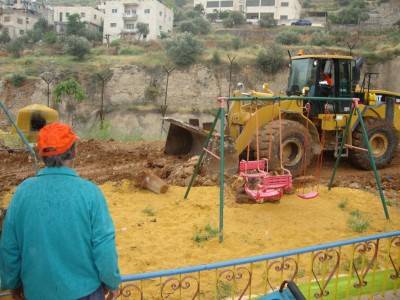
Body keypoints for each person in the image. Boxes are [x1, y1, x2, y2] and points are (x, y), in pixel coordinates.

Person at [0, 123, 121, 300]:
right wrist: (112, 282)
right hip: (85, 293)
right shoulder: (90, 193)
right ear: (73, 152)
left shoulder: (22, 193)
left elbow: (10, 247)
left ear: (41, 155)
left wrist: (12, 283)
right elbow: (104, 247)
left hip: (36, 292)